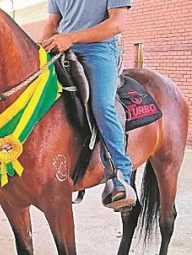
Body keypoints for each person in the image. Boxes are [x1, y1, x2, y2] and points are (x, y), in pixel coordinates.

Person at [41, 0, 136, 210]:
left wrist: (70, 37)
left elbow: (117, 24)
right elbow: (51, 22)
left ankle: (121, 174)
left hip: (100, 49)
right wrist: (42, 45)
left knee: (102, 105)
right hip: (60, 47)